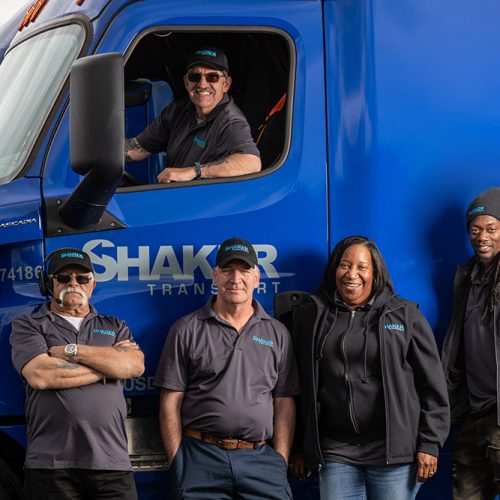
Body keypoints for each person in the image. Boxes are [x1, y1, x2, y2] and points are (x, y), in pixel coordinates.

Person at [291, 235, 450, 500]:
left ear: (375, 273)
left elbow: (433, 385)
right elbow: (301, 386)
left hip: (392, 453)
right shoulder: (313, 315)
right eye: (344, 265)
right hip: (336, 452)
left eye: (361, 267)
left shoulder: (404, 315)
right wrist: (300, 447)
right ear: (334, 269)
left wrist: (430, 444)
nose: (352, 274)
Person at [154, 237, 299, 499]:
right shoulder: (186, 329)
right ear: (215, 276)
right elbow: (169, 402)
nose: (236, 278)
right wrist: (178, 462)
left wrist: (280, 460)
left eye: (244, 270)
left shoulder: (277, 333)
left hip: (261, 461)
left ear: (256, 277)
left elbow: (284, 401)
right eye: (227, 270)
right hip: (200, 459)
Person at [10, 248, 145, 500]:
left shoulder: (114, 325)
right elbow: (42, 376)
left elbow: (134, 367)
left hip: (111, 463)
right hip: (51, 466)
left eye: (81, 278)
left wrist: (72, 351)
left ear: (92, 284)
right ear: (48, 284)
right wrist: (108, 368)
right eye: (63, 278)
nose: (73, 283)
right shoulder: (29, 325)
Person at [125, 47, 261, 183]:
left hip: (204, 201)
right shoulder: (177, 111)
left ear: (226, 84)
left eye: (212, 77)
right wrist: (106, 152)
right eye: (195, 76)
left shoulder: (230, 122)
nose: (202, 84)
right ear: (186, 82)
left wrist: (194, 171)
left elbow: (251, 162)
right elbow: (137, 148)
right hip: (171, 196)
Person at [441, 187, 500, 499]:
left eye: (491, 228)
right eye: (475, 230)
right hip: (473, 413)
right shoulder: (467, 276)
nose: (482, 237)